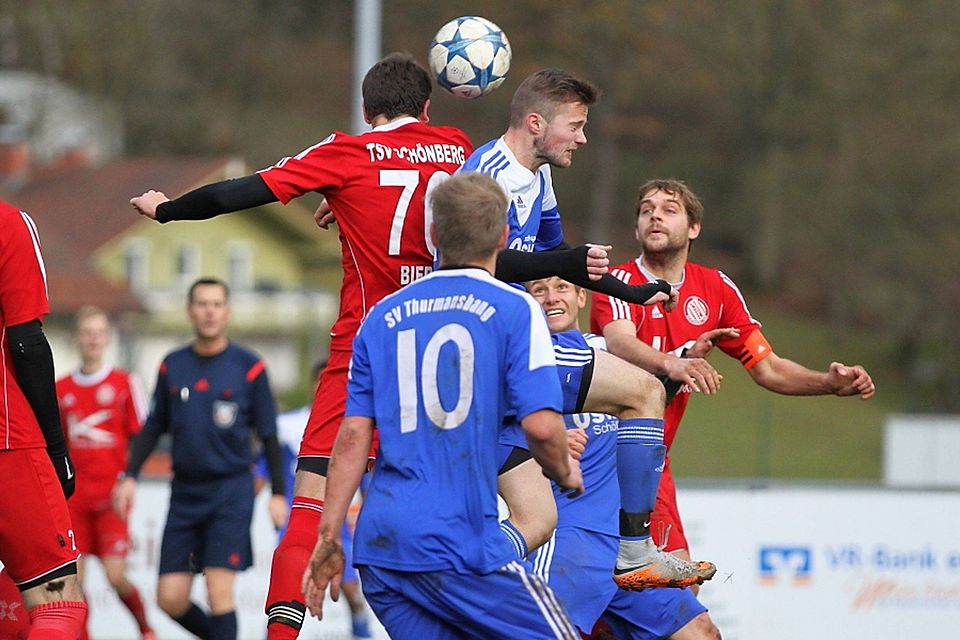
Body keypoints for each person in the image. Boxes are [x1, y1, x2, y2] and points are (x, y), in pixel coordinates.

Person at [129, 52, 659, 638]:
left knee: (310, 505)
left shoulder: (343, 154)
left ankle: (285, 633)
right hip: (449, 355)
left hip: (366, 345)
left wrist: (170, 210)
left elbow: (245, 191)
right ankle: (600, 552)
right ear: (427, 108)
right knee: (530, 504)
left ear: (366, 109)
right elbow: (473, 216)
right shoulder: (458, 149)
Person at [464, 68, 717, 590]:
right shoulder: (488, 176)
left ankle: (466, 569)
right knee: (644, 391)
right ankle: (634, 551)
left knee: (537, 518)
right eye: (575, 126)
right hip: (493, 347)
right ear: (536, 123)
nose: (582, 138)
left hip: (517, 348)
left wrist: (631, 291)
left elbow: (560, 259)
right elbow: (476, 264)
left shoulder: (538, 174)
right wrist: (570, 261)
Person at [302, 170, 582, 639]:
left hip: (383, 553)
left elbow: (352, 437)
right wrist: (564, 471)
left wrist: (330, 536)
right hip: (457, 545)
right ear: (503, 236)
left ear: (433, 235)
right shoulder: (514, 309)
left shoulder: (382, 315)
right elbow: (540, 425)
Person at [591, 178, 876, 567]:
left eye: (669, 209)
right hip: (593, 461)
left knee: (685, 615)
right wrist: (679, 361)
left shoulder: (715, 288)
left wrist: (826, 384)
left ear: (694, 228)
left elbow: (769, 368)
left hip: (652, 470)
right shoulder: (619, 282)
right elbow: (621, 343)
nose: (654, 215)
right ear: (636, 228)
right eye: (646, 210)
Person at [527, 275, 721, 639]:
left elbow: (656, 385)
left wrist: (686, 359)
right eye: (539, 289)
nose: (552, 297)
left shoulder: (612, 353)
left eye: (562, 287)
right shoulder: (526, 362)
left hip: (626, 547)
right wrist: (540, 442)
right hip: (570, 542)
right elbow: (489, 434)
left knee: (700, 630)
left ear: (581, 296)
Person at [112, 278, 288, 640]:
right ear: (189, 311)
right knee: (169, 598)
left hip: (230, 492)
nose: (209, 311)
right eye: (202, 304)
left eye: (217, 304)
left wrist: (277, 493)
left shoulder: (249, 367)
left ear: (227, 311)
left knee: (218, 593)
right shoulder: (172, 366)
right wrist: (129, 474)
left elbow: (269, 435)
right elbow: (153, 426)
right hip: (185, 493)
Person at [0, 201, 88, 638]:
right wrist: (57, 446)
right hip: (7, 439)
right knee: (57, 599)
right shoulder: (8, 222)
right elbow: (26, 343)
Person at [254, 360, 372, 640]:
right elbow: (265, 467)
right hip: (298, 516)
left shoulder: (356, 426)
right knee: (286, 587)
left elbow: (366, 475)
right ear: (312, 385)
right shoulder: (289, 426)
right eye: (320, 379)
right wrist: (271, 498)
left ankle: (363, 633)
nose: (325, 385)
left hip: (337, 522)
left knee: (352, 592)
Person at [56, 306, 155, 640]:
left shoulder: (125, 383)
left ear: (107, 338)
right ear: (76, 339)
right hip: (75, 499)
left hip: (111, 496)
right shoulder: (61, 389)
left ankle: (145, 627)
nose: (93, 339)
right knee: (74, 584)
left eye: (99, 332)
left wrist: (130, 479)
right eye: (87, 332)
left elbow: (142, 436)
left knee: (115, 576)